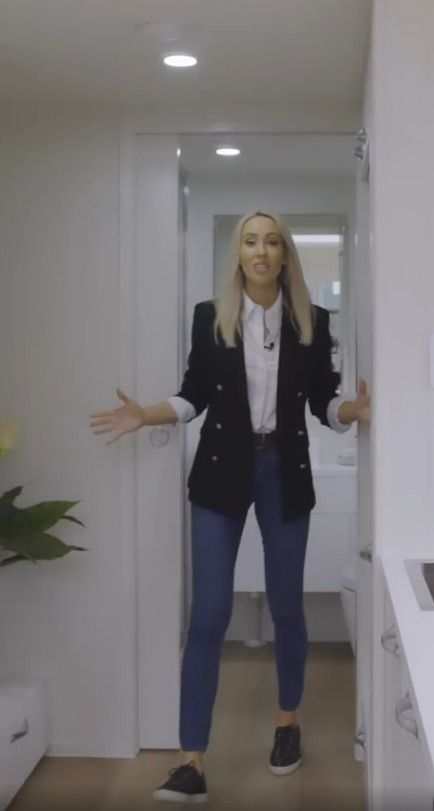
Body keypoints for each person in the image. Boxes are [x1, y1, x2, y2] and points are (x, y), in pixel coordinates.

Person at [89, 211, 371, 804]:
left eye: (271, 242)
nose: (260, 251)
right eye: (250, 241)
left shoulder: (312, 321)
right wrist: (147, 414)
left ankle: (287, 725)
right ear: (238, 253)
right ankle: (191, 760)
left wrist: (351, 411)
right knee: (209, 614)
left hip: (284, 471)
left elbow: (323, 400)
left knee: (287, 607)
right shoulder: (209, 317)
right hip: (221, 469)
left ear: (285, 254)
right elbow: (193, 393)